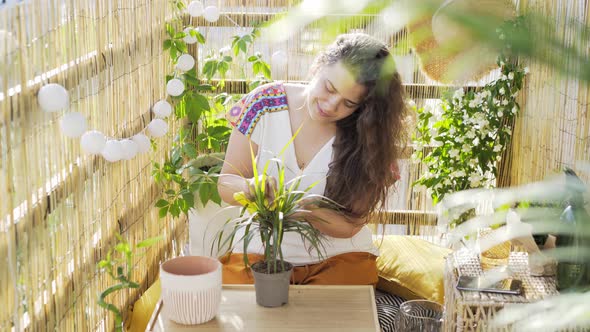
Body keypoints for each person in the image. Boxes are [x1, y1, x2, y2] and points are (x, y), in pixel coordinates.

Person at [218, 33, 407, 285]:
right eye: (329, 88)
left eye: (348, 103)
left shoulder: (369, 136)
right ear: (317, 67)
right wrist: (249, 188)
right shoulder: (262, 104)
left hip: (338, 258)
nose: (330, 106)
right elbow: (225, 183)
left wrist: (310, 210)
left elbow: (351, 226)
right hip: (260, 254)